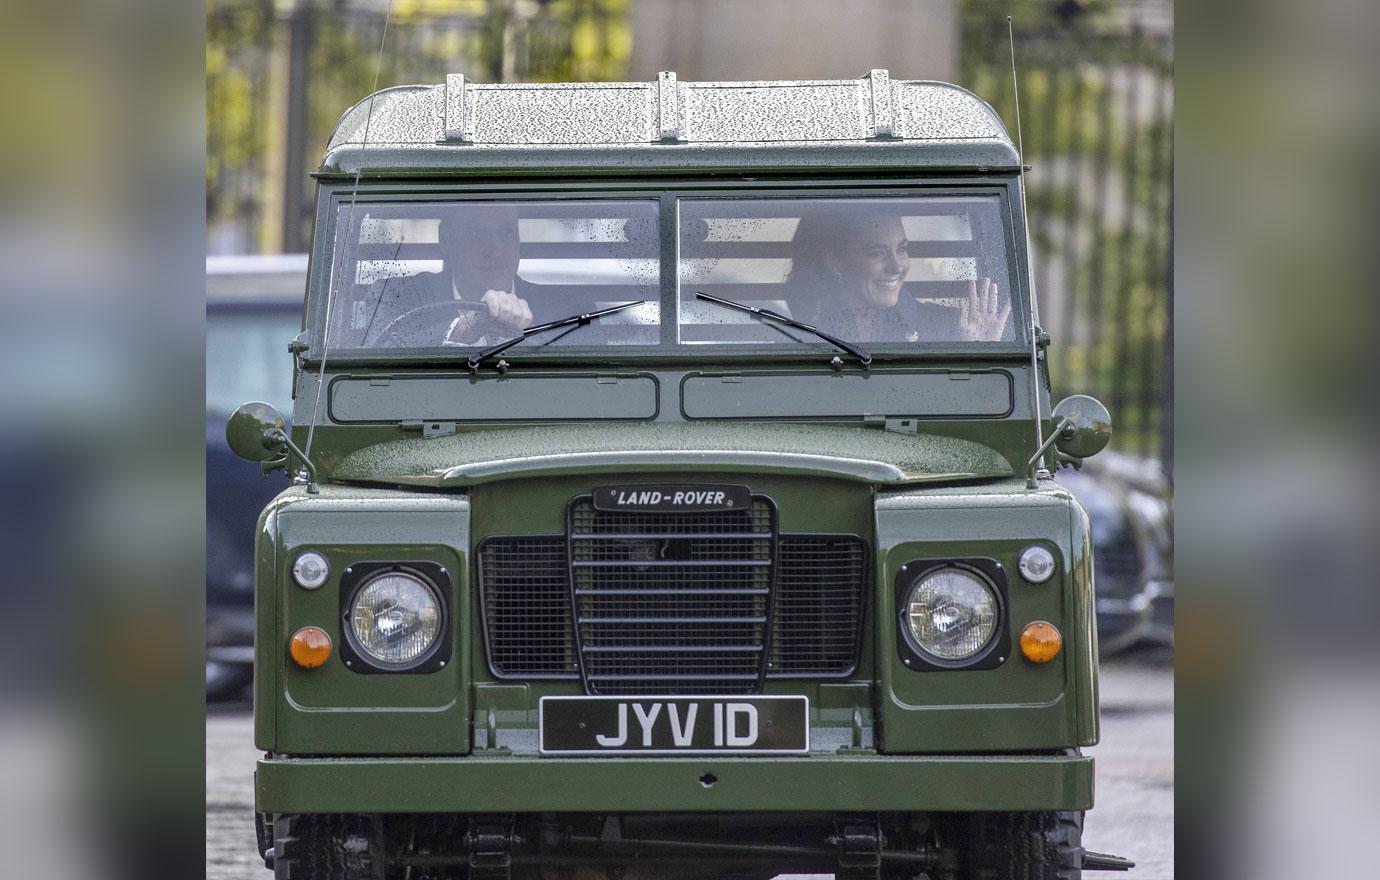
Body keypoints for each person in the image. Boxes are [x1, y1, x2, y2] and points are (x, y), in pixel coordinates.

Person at [786, 207, 1011, 343]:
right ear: (834, 262)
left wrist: (980, 349)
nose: (896, 266)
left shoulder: (950, 327)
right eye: (877, 253)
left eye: (902, 249)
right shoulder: (802, 333)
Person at [353, 206, 533, 347]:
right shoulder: (395, 295)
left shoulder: (556, 307)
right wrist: (464, 329)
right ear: (446, 239)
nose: (495, 251)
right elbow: (377, 353)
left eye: (507, 232)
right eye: (476, 234)